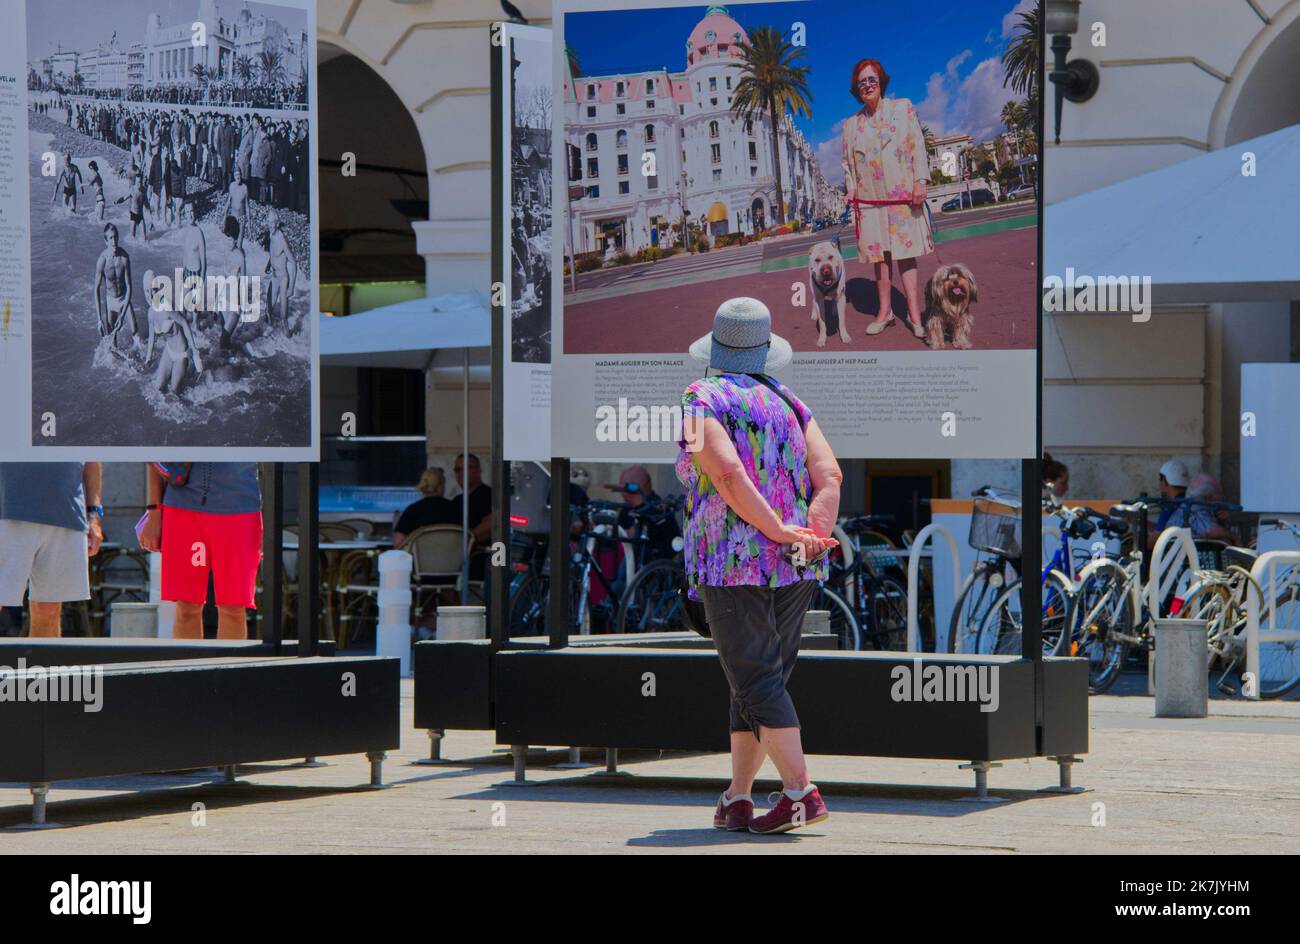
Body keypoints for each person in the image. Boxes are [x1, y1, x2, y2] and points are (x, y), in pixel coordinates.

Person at [678, 297, 841, 834]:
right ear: (766, 351)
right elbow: (830, 475)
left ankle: (799, 793)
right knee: (753, 679)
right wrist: (812, 533)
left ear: (716, 349)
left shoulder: (700, 399)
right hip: (796, 563)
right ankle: (738, 797)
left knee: (754, 679)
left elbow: (725, 475)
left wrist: (772, 529)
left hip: (735, 562)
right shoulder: (790, 401)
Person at [841, 58, 933, 340]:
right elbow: (848, 164)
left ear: (881, 82)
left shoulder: (902, 108)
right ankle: (885, 312)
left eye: (872, 79)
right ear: (856, 89)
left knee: (906, 256)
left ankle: (915, 315)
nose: (867, 85)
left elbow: (917, 144)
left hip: (902, 195)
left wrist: (920, 181)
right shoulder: (851, 125)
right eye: (862, 82)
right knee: (879, 259)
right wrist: (851, 189)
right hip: (870, 202)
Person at [137, 462, 262, 640]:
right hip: (183, 509)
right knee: (187, 605)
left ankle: (231, 668)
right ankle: (188, 668)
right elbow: (154, 457)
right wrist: (154, 511)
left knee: (233, 607)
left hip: (241, 509)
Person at [0, 463, 103, 637]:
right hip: (7, 508)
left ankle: (41, 664)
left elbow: (92, 456)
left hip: (66, 509)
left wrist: (94, 514)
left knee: (48, 609)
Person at [144, 267, 202, 394]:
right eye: (147, 291)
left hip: (181, 352)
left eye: (153, 290)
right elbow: (152, 337)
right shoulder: (150, 313)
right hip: (169, 351)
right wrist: (148, 357)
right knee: (159, 388)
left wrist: (195, 353)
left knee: (175, 391)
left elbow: (184, 323)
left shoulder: (167, 306)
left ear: (158, 290)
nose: (150, 295)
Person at [607, 465, 681, 563]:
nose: (621, 492)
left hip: (652, 569)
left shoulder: (658, 510)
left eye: (623, 486)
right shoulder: (627, 508)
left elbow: (632, 536)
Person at [394, 467, 457, 546]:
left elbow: (398, 542)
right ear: (440, 486)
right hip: (451, 557)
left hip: (420, 558)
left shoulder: (412, 511)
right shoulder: (455, 508)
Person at [93, 223, 134, 341]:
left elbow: (129, 286)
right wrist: (99, 320)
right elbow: (96, 289)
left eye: (115, 237)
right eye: (110, 238)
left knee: (135, 331)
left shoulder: (124, 257)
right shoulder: (102, 261)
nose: (114, 241)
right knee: (111, 337)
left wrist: (122, 316)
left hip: (124, 298)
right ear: (106, 241)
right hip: (111, 301)